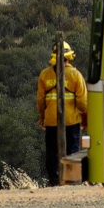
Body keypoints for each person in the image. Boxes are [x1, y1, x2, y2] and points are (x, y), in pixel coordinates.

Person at [36, 41, 89, 186]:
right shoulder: (76, 75)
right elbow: (83, 103)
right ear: (69, 57)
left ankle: (54, 181)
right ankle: (72, 180)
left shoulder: (45, 75)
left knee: (52, 152)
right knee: (73, 152)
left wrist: (42, 116)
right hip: (71, 120)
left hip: (51, 121)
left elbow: (41, 101)